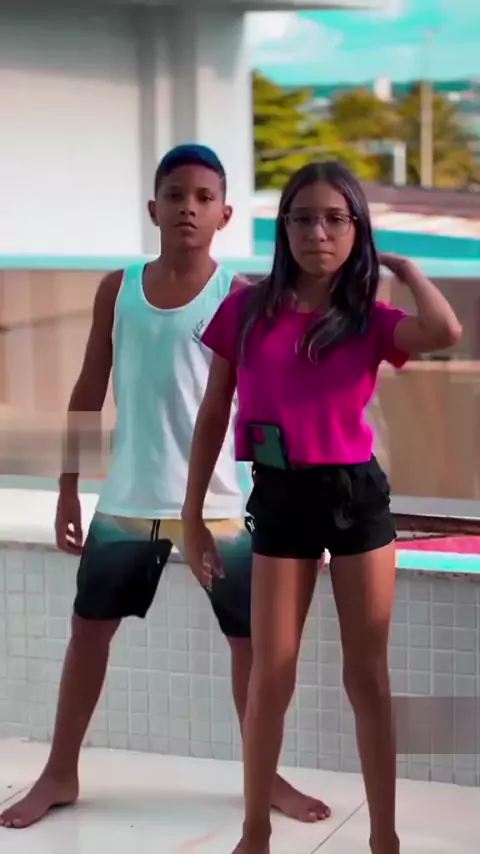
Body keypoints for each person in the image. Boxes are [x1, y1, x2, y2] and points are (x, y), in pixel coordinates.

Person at [0, 145, 329, 830]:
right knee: (89, 633)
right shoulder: (117, 289)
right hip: (129, 498)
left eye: (204, 198)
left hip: (221, 504)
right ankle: (60, 771)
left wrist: (300, 503)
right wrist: (68, 485)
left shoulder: (241, 297)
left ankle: (264, 775)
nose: (188, 208)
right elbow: (88, 389)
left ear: (225, 215)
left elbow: (275, 400)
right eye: (176, 195)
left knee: (249, 643)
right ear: (154, 208)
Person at [181, 160, 462, 854]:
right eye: (303, 218)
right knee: (272, 674)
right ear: (284, 229)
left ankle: (384, 837)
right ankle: (254, 831)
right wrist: (192, 515)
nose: (318, 233)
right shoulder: (246, 309)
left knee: (367, 678)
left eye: (336, 219)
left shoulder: (367, 318)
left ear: (356, 229)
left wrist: (405, 268)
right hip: (281, 497)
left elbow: (446, 331)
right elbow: (213, 412)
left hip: (356, 498)